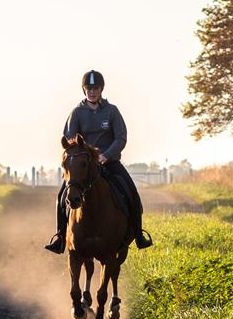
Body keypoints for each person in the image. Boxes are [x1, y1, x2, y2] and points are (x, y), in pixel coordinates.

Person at [44, 70, 153, 253]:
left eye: (95, 88)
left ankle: (138, 235)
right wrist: (84, 156)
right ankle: (61, 237)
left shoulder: (112, 111)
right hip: (84, 166)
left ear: (101, 89)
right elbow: (70, 139)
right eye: (88, 88)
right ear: (84, 90)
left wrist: (106, 155)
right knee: (62, 196)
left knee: (131, 191)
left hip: (109, 162)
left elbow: (121, 138)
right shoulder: (77, 113)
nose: (92, 92)